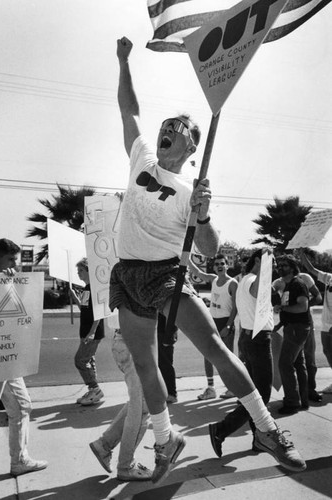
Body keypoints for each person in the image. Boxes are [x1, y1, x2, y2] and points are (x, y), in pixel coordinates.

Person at [110, 36, 306, 484]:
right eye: (168, 125)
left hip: (164, 275)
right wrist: (123, 62)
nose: (169, 129)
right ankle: (166, 439)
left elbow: (213, 250)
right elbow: (129, 110)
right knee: (146, 365)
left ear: (190, 148)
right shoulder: (141, 156)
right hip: (125, 275)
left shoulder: (189, 194)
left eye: (179, 129)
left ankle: (267, 428)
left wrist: (202, 214)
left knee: (215, 349)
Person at [0, 238, 48, 477]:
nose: (15, 263)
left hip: (8, 359)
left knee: (22, 405)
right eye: (10, 259)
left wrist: (13, 282)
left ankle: (20, 460)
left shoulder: (8, 281)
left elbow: (22, 309)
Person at [208, 249, 274, 457]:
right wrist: (266, 262)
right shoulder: (253, 280)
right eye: (271, 263)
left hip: (249, 338)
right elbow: (257, 292)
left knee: (255, 393)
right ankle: (222, 429)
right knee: (261, 396)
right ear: (258, 262)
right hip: (258, 339)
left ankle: (258, 439)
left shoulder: (244, 279)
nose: (273, 267)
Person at [90, 328, 152, 481]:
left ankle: (104, 445)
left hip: (123, 340)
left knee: (138, 404)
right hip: (135, 343)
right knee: (142, 408)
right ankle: (126, 466)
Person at [189, 253, 238, 400]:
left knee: (227, 358)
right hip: (213, 322)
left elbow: (235, 308)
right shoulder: (213, 279)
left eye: (222, 264)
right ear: (214, 267)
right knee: (207, 355)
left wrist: (228, 326)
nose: (220, 266)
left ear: (227, 265)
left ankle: (232, 388)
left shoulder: (233, 283)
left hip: (226, 323)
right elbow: (197, 272)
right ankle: (210, 389)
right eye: (217, 264)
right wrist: (186, 258)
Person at [273, 264, 323, 403]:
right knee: (297, 360)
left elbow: (318, 297)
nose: (279, 267)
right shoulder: (278, 283)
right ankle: (302, 395)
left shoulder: (304, 279)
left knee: (309, 358)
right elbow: (271, 295)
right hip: (290, 323)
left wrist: (302, 309)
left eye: (282, 264)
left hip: (303, 322)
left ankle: (310, 390)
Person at [274, 255, 311, 414]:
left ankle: (292, 402)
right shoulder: (288, 285)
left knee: (285, 364)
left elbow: (302, 307)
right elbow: (291, 308)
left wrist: (281, 309)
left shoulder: (298, 284)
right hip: (293, 327)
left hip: (297, 329)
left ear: (293, 267)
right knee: (298, 364)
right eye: (279, 265)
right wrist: (280, 324)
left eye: (285, 265)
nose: (280, 267)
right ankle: (303, 400)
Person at [71, 258, 105, 406]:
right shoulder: (86, 289)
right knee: (88, 360)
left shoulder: (94, 289)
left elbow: (99, 313)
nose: (78, 274)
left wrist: (92, 332)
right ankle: (94, 390)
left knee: (80, 360)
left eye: (81, 271)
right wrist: (74, 296)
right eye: (78, 271)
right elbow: (84, 309)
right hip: (85, 331)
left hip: (92, 332)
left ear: (89, 270)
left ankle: (94, 388)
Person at [300, 251, 332, 394]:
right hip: (326, 324)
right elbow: (312, 269)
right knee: (327, 351)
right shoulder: (329, 278)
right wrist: (302, 254)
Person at [157, 313, 178, 404]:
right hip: (156, 331)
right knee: (158, 365)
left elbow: (173, 316)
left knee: (165, 364)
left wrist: (171, 335)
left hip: (164, 333)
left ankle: (171, 394)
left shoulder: (165, 300)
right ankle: (164, 392)